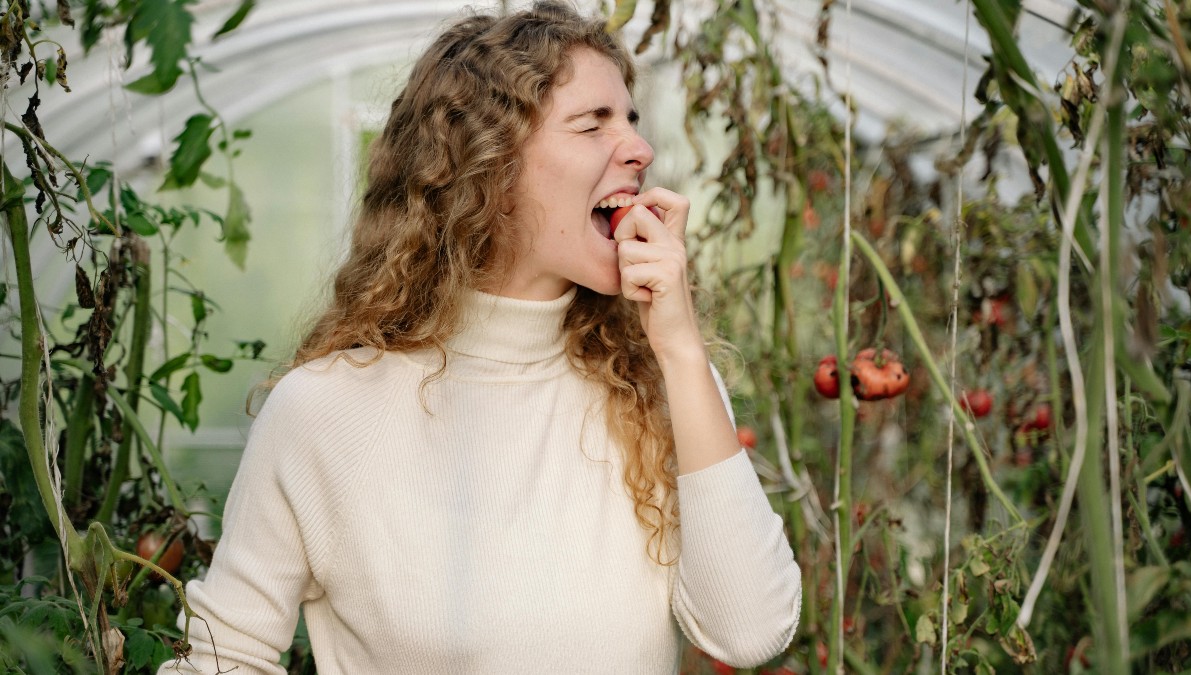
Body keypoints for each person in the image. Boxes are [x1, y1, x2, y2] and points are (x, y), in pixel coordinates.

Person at [159, 2, 801, 672]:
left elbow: (749, 633)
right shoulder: (323, 413)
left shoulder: (663, 386)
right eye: (593, 124)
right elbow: (221, 660)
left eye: (632, 120)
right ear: (489, 168)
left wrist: (682, 351)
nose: (639, 149)